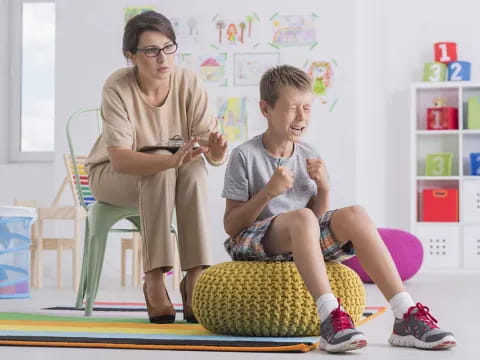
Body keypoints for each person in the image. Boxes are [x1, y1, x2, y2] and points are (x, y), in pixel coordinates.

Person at [221, 65, 456, 353]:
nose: (301, 117)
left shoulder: (309, 154)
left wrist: (324, 188)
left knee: (356, 213)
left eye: (307, 108)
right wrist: (268, 192)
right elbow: (232, 225)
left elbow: (315, 222)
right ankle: (330, 317)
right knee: (303, 218)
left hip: (299, 233)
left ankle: (405, 314)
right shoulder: (244, 155)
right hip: (253, 239)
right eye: (292, 108)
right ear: (265, 109)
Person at [86, 11, 228, 324]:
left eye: (168, 48)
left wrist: (216, 151)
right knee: (161, 170)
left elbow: (208, 148)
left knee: (194, 170)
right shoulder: (117, 87)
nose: (162, 58)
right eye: (150, 51)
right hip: (111, 174)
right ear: (131, 56)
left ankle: (195, 276)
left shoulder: (188, 81)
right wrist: (168, 160)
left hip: (170, 170)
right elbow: (122, 159)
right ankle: (154, 277)